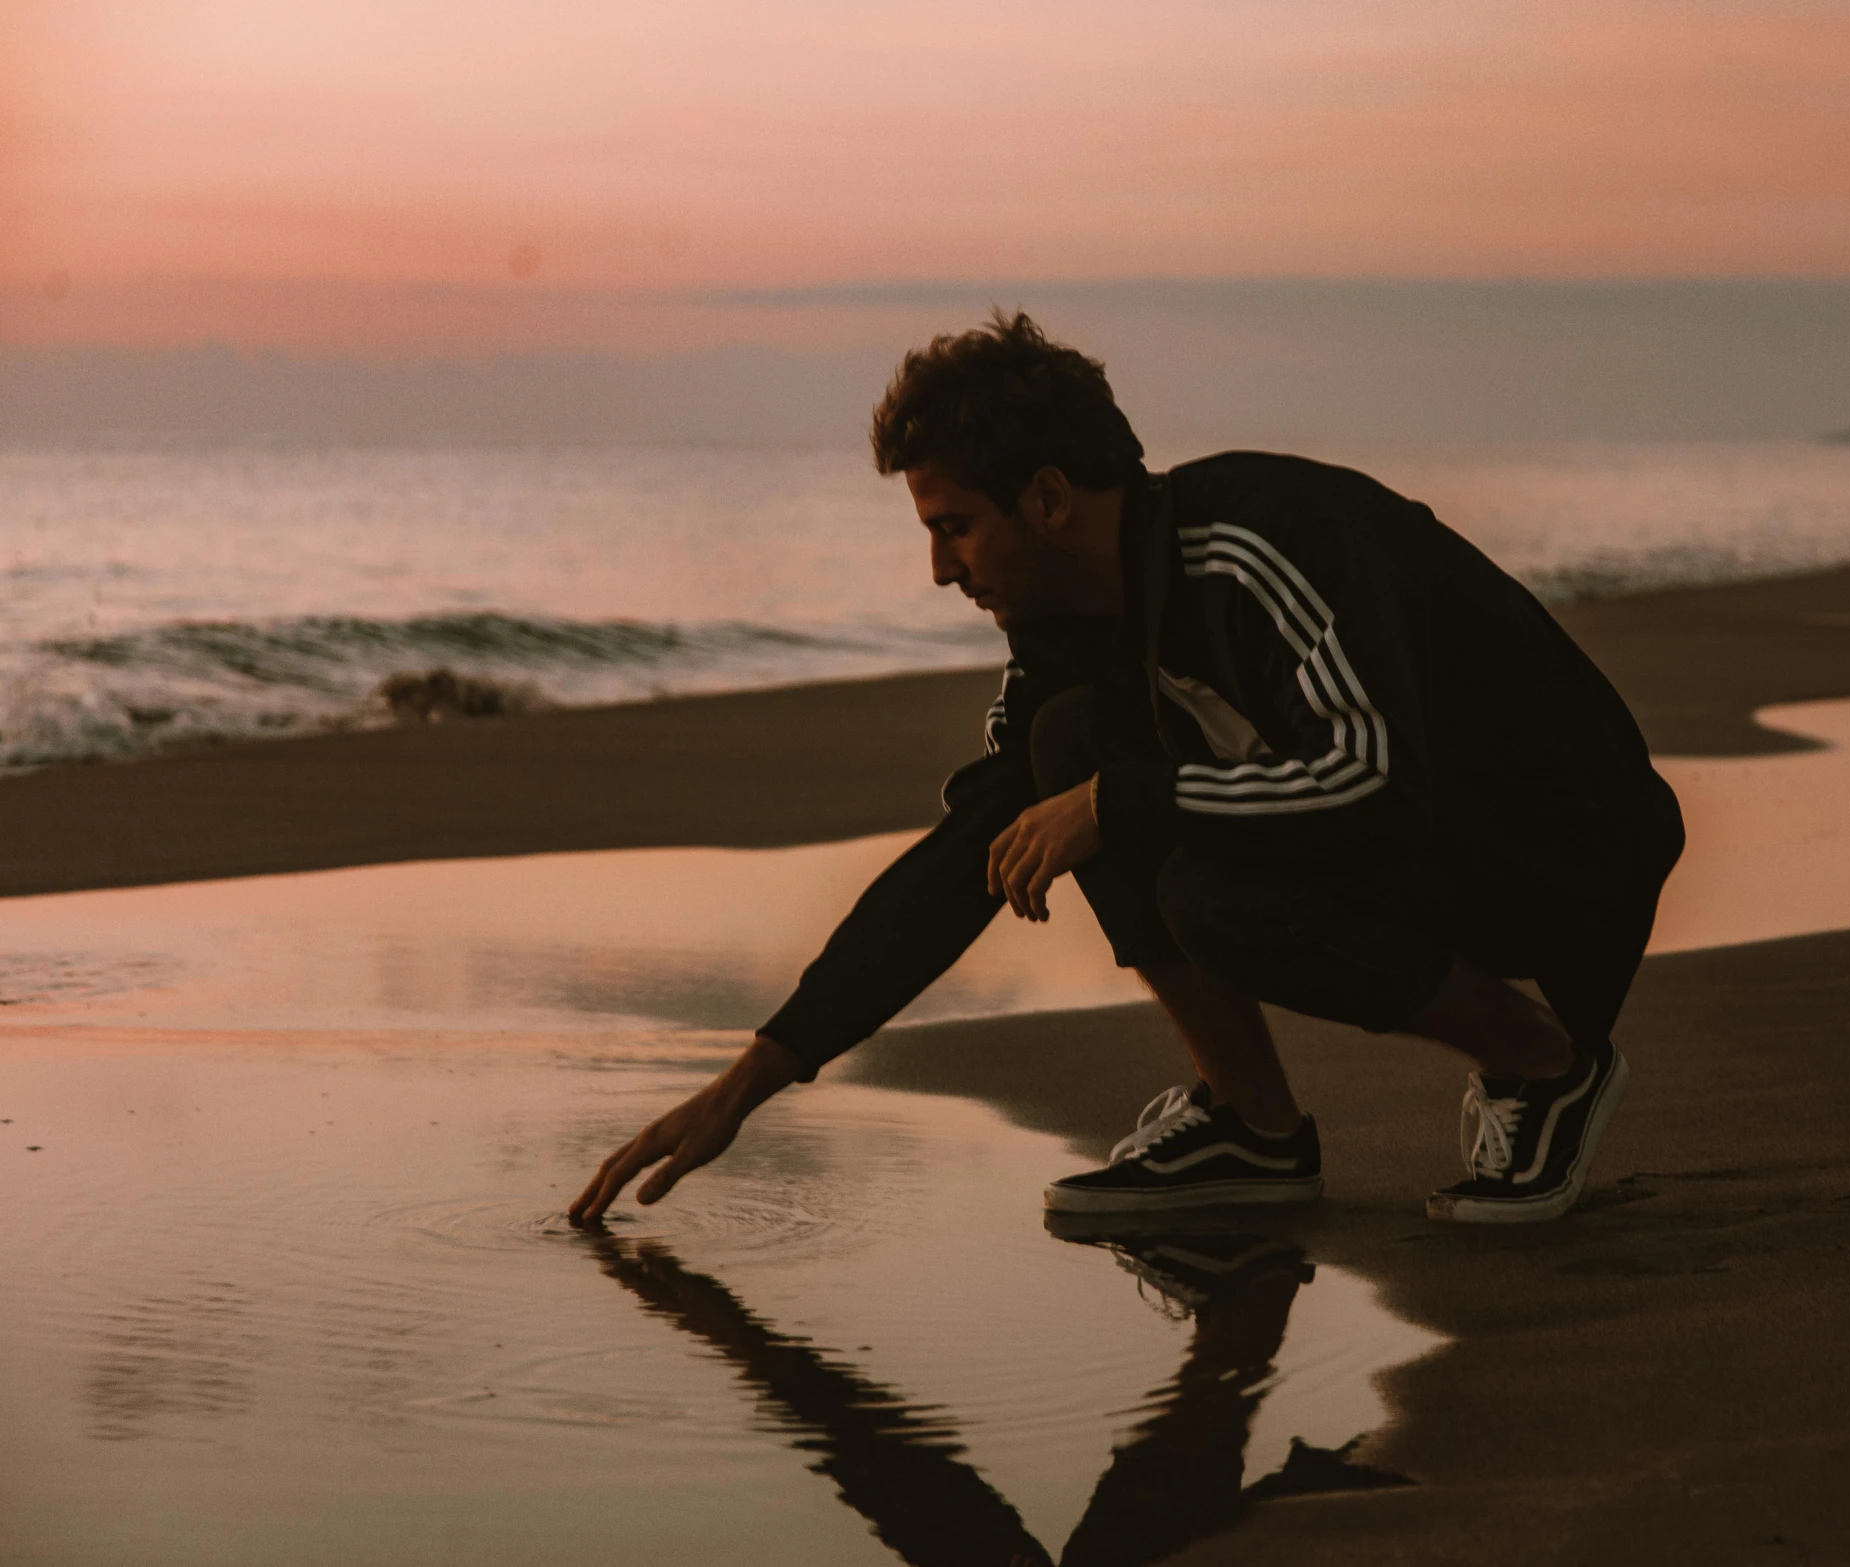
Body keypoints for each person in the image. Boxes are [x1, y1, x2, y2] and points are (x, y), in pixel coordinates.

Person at [570, 311, 1683, 1228]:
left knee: (1192, 876)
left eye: (954, 527)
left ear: (1047, 500)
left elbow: (1373, 782)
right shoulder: (1070, 635)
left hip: (1558, 850)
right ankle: (1254, 1130)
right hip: (1424, 834)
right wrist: (755, 1076)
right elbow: (973, 853)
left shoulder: (1257, 543)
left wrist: (1121, 802)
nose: (937, 568)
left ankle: (1545, 1067)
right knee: (1067, 754)